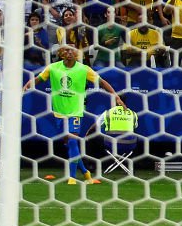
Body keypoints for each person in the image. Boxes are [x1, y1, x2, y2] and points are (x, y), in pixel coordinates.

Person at [22, 45, 125, 185]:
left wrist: (116, 97)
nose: (69, 52)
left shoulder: (84, 69)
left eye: (72, 50)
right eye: (66, 50)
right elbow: (38, 79)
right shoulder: (53, 68)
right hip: (59, 112)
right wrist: (26, 86)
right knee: (69, 144)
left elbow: (102, 82)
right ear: (60, 53)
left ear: (77, 54)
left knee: (71, 140)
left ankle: (71, 177)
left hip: (76, 111)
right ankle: (86, 173)